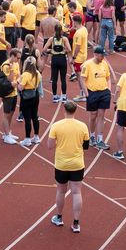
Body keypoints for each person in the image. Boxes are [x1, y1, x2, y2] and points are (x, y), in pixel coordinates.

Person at [47, 99, 90, 233]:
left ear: (64, 110)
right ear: (75, 110)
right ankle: (76, 223)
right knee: (77, 192)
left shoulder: (56, 126)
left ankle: (59, 217)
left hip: (61, 164)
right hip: (77, 164)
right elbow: (86, 146)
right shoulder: (82, 126)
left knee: (61, 191)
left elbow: (49, 146)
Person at [81, 46, 114, 150]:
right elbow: (82, 79)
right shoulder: (87, 65)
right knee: (93, 115)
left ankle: (100, 139)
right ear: (95, 54)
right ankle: (91, 136)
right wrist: (86, 93)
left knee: (101, 115)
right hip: (92, 93)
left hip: (104, 93)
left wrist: (108, 89)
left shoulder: (104, 64)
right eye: (101, 55)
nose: (103, 57)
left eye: (103, 55)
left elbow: (108, 78)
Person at [17, 56, 44, 148]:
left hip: (26, 97)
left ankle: (27, 139)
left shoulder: (25, 75)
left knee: (27, 118)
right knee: (35, 116)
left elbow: (21, 87)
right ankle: (36, 137)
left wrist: (18, 82)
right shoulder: (37, 73)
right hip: (35, 95)